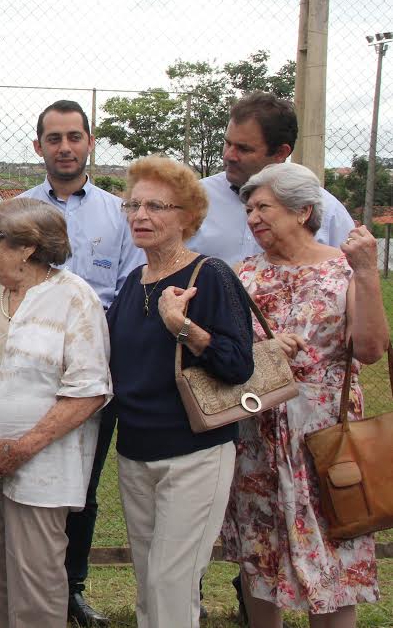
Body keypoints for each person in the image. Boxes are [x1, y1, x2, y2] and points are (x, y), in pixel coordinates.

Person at [222, 163, 388, 628]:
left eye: (263, 207)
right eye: (249, 209)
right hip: (257, 438)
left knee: (336, 550)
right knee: (259, 556)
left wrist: (368, 273)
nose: (252, 217)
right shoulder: (242, 275)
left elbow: (371, 349)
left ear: (303, 211)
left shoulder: (344, 269)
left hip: (325, 440)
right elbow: (225, 356)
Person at [0, 198, 110, 628]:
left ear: (28, 247)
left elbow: (88, 392)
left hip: (41, 465)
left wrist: (23, 447)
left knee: (37, 574)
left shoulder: (74, 298)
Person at [108, 156, 254, 628]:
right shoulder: (132, 283)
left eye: (156, 206)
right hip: (135, 453)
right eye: (134, 204)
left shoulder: (210, 275)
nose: (141, 216)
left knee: (172, 582)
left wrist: (183, 326)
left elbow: (238, 365)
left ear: (187, 217)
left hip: (195, 453)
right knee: (150, 582)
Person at [18, 99, 142, 626]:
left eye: (74, 136)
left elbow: (134, 292)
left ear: (90, 142)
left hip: (95, 377)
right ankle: (23, 587)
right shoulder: (17, 212)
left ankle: (71, 588)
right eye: (54, 138)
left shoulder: (120, 213)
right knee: (27, 480)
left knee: (82, 489)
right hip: (29, 374)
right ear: (38, 146)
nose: (65, 147)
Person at [189, 92, 353, 264]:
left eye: (244, 149)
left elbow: (351, 279)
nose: (229, 155)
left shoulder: (328, 212)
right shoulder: (192, 199)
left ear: (281, 152)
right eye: (228, 143)